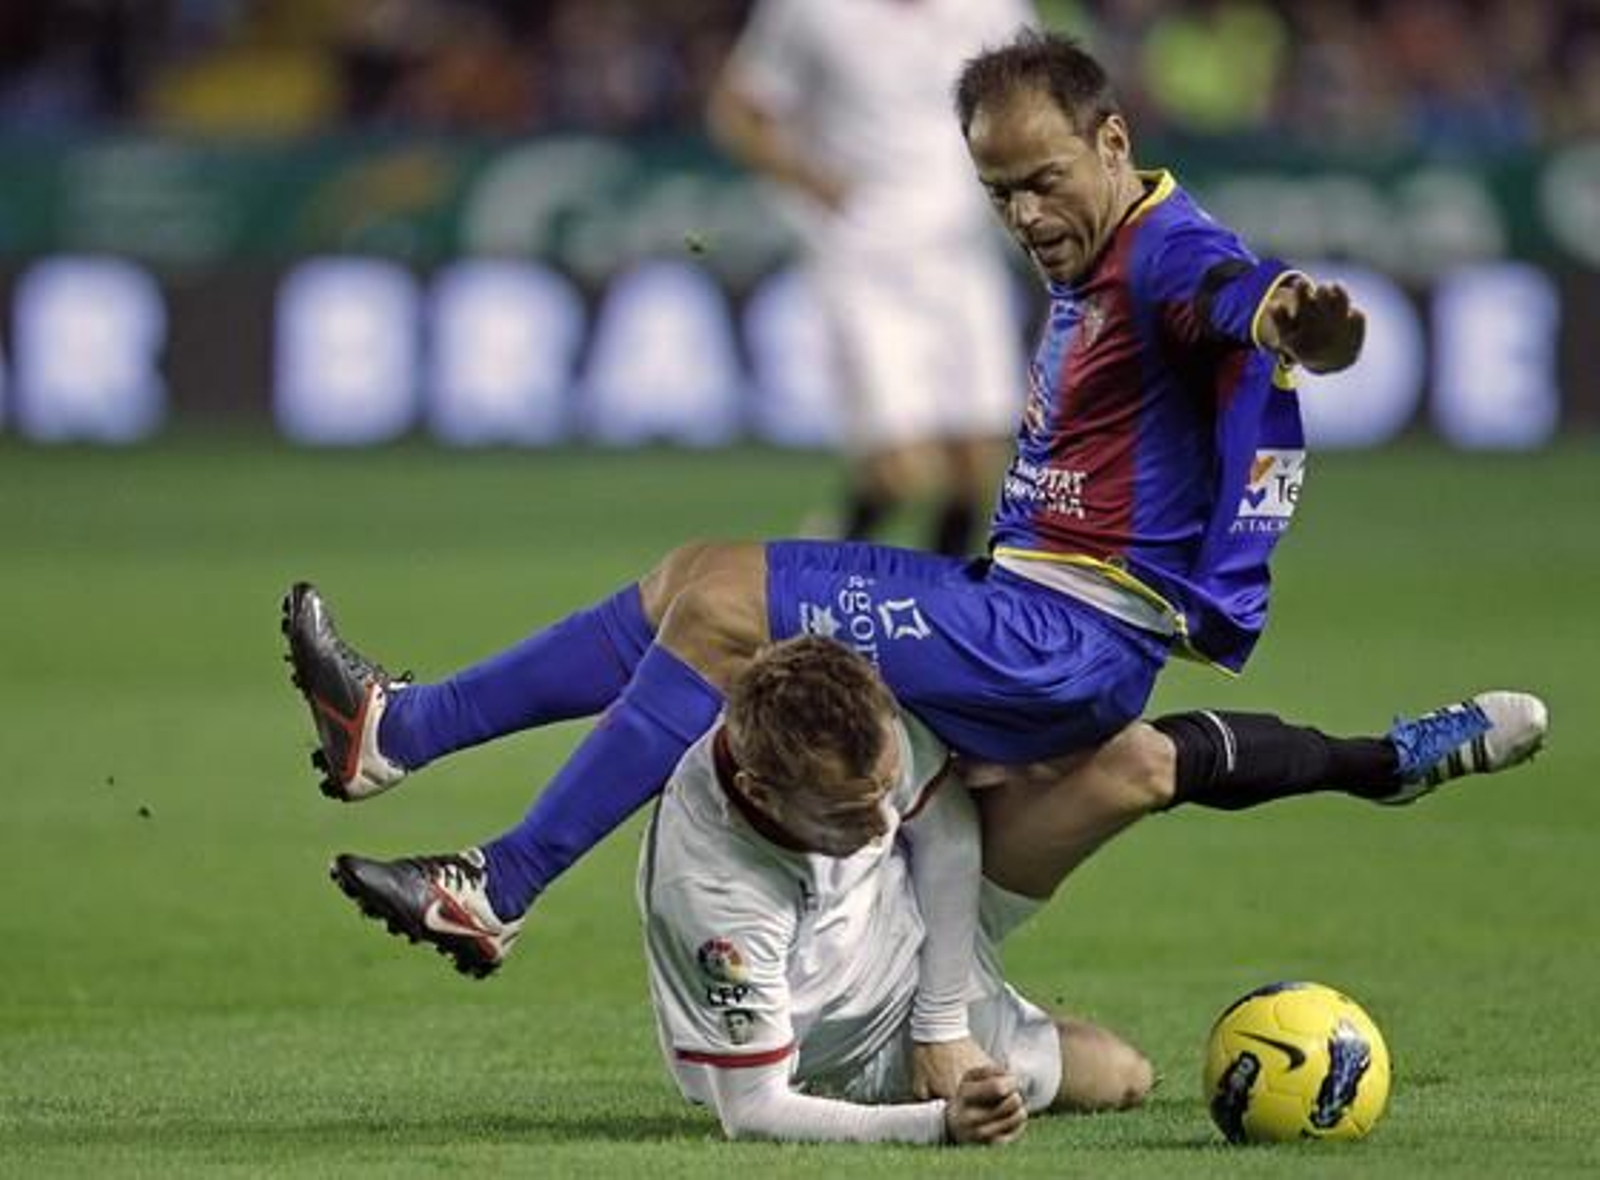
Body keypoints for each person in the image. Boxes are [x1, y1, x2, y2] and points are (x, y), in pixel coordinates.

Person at [285, 31, 1546, 982]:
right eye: (998, 193)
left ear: (1114, 143)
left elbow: (1247, 297)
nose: (1023, 216)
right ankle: (397, 729)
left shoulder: (1165, 250)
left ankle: (496, 885)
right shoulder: (1096, 253)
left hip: (1073, 644)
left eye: (1043, 181)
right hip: (1026, 613)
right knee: (693, 573)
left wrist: (1297, 323)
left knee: (725, 608)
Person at [326, 637, 1541, 1143]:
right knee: (1125, 1076)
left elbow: (940, 824)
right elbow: (754, 1117)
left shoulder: (850, 729)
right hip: (835, 1051)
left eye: (876, 792)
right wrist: (931, 1118)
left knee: (1134, 762)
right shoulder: (711, 895)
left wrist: (942, 1021)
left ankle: (1387, 764)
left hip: (921, 956)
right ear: (757, 784)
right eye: (845, 816)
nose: (875, 816)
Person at [708, 0, 1037, 557]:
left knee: (976, 467)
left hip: (960, 252)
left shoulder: (992, 9)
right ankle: (803, 573)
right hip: (863, 257)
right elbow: (737, 110)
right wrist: (808, 179)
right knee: (903, 471)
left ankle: (937, 618)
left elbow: (1036, 101)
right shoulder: (811, 11)